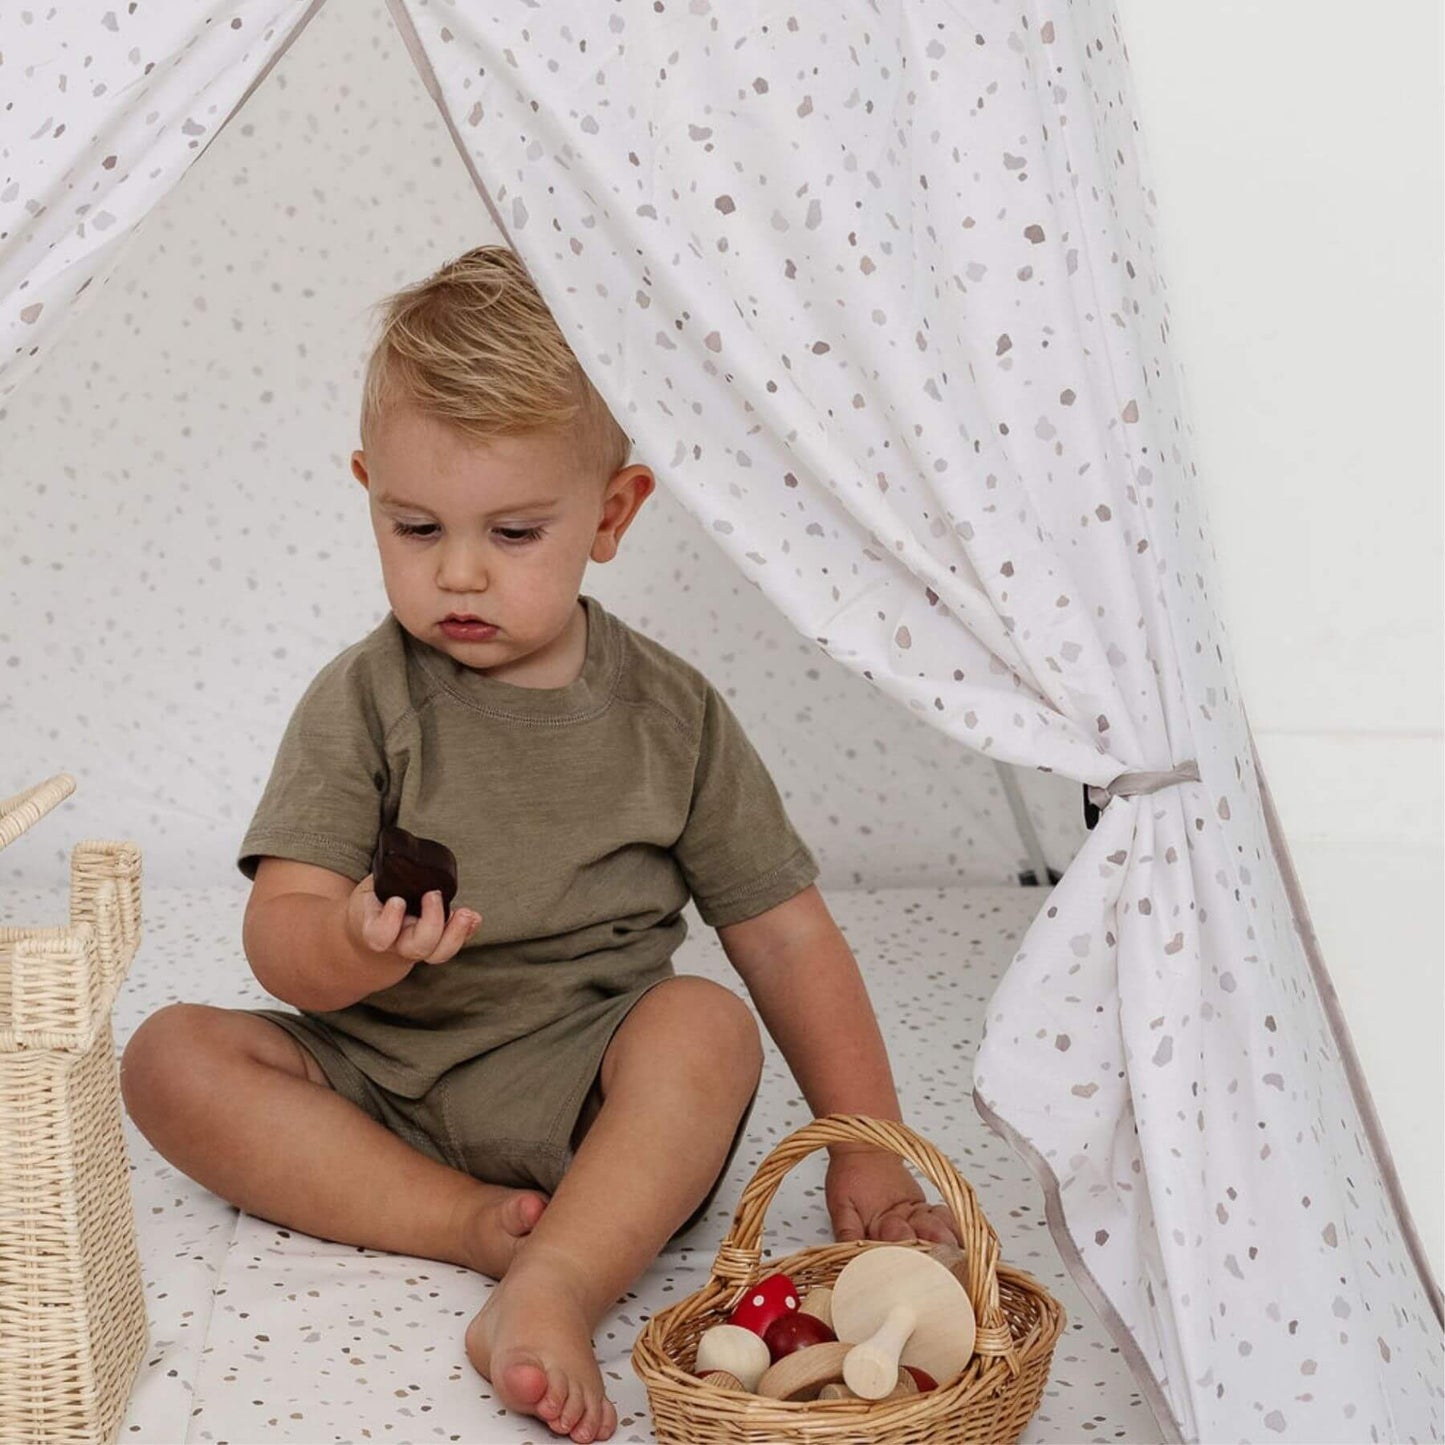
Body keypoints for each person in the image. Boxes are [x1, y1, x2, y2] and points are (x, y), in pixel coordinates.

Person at [120, 245, 958, 1445]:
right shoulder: (362, 701)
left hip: (590, 1099)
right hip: (374, 1080)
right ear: (368, 492)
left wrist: (869, 1147)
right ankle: (466, 1222)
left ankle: (555, 1276)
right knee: (167, 1055)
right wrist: (352, 943)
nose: (457, 570)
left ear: (611, 514)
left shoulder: (669, 717)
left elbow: (785, 936)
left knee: (705, 1025)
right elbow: (277, 938)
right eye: (415, 525)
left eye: (513, 531)